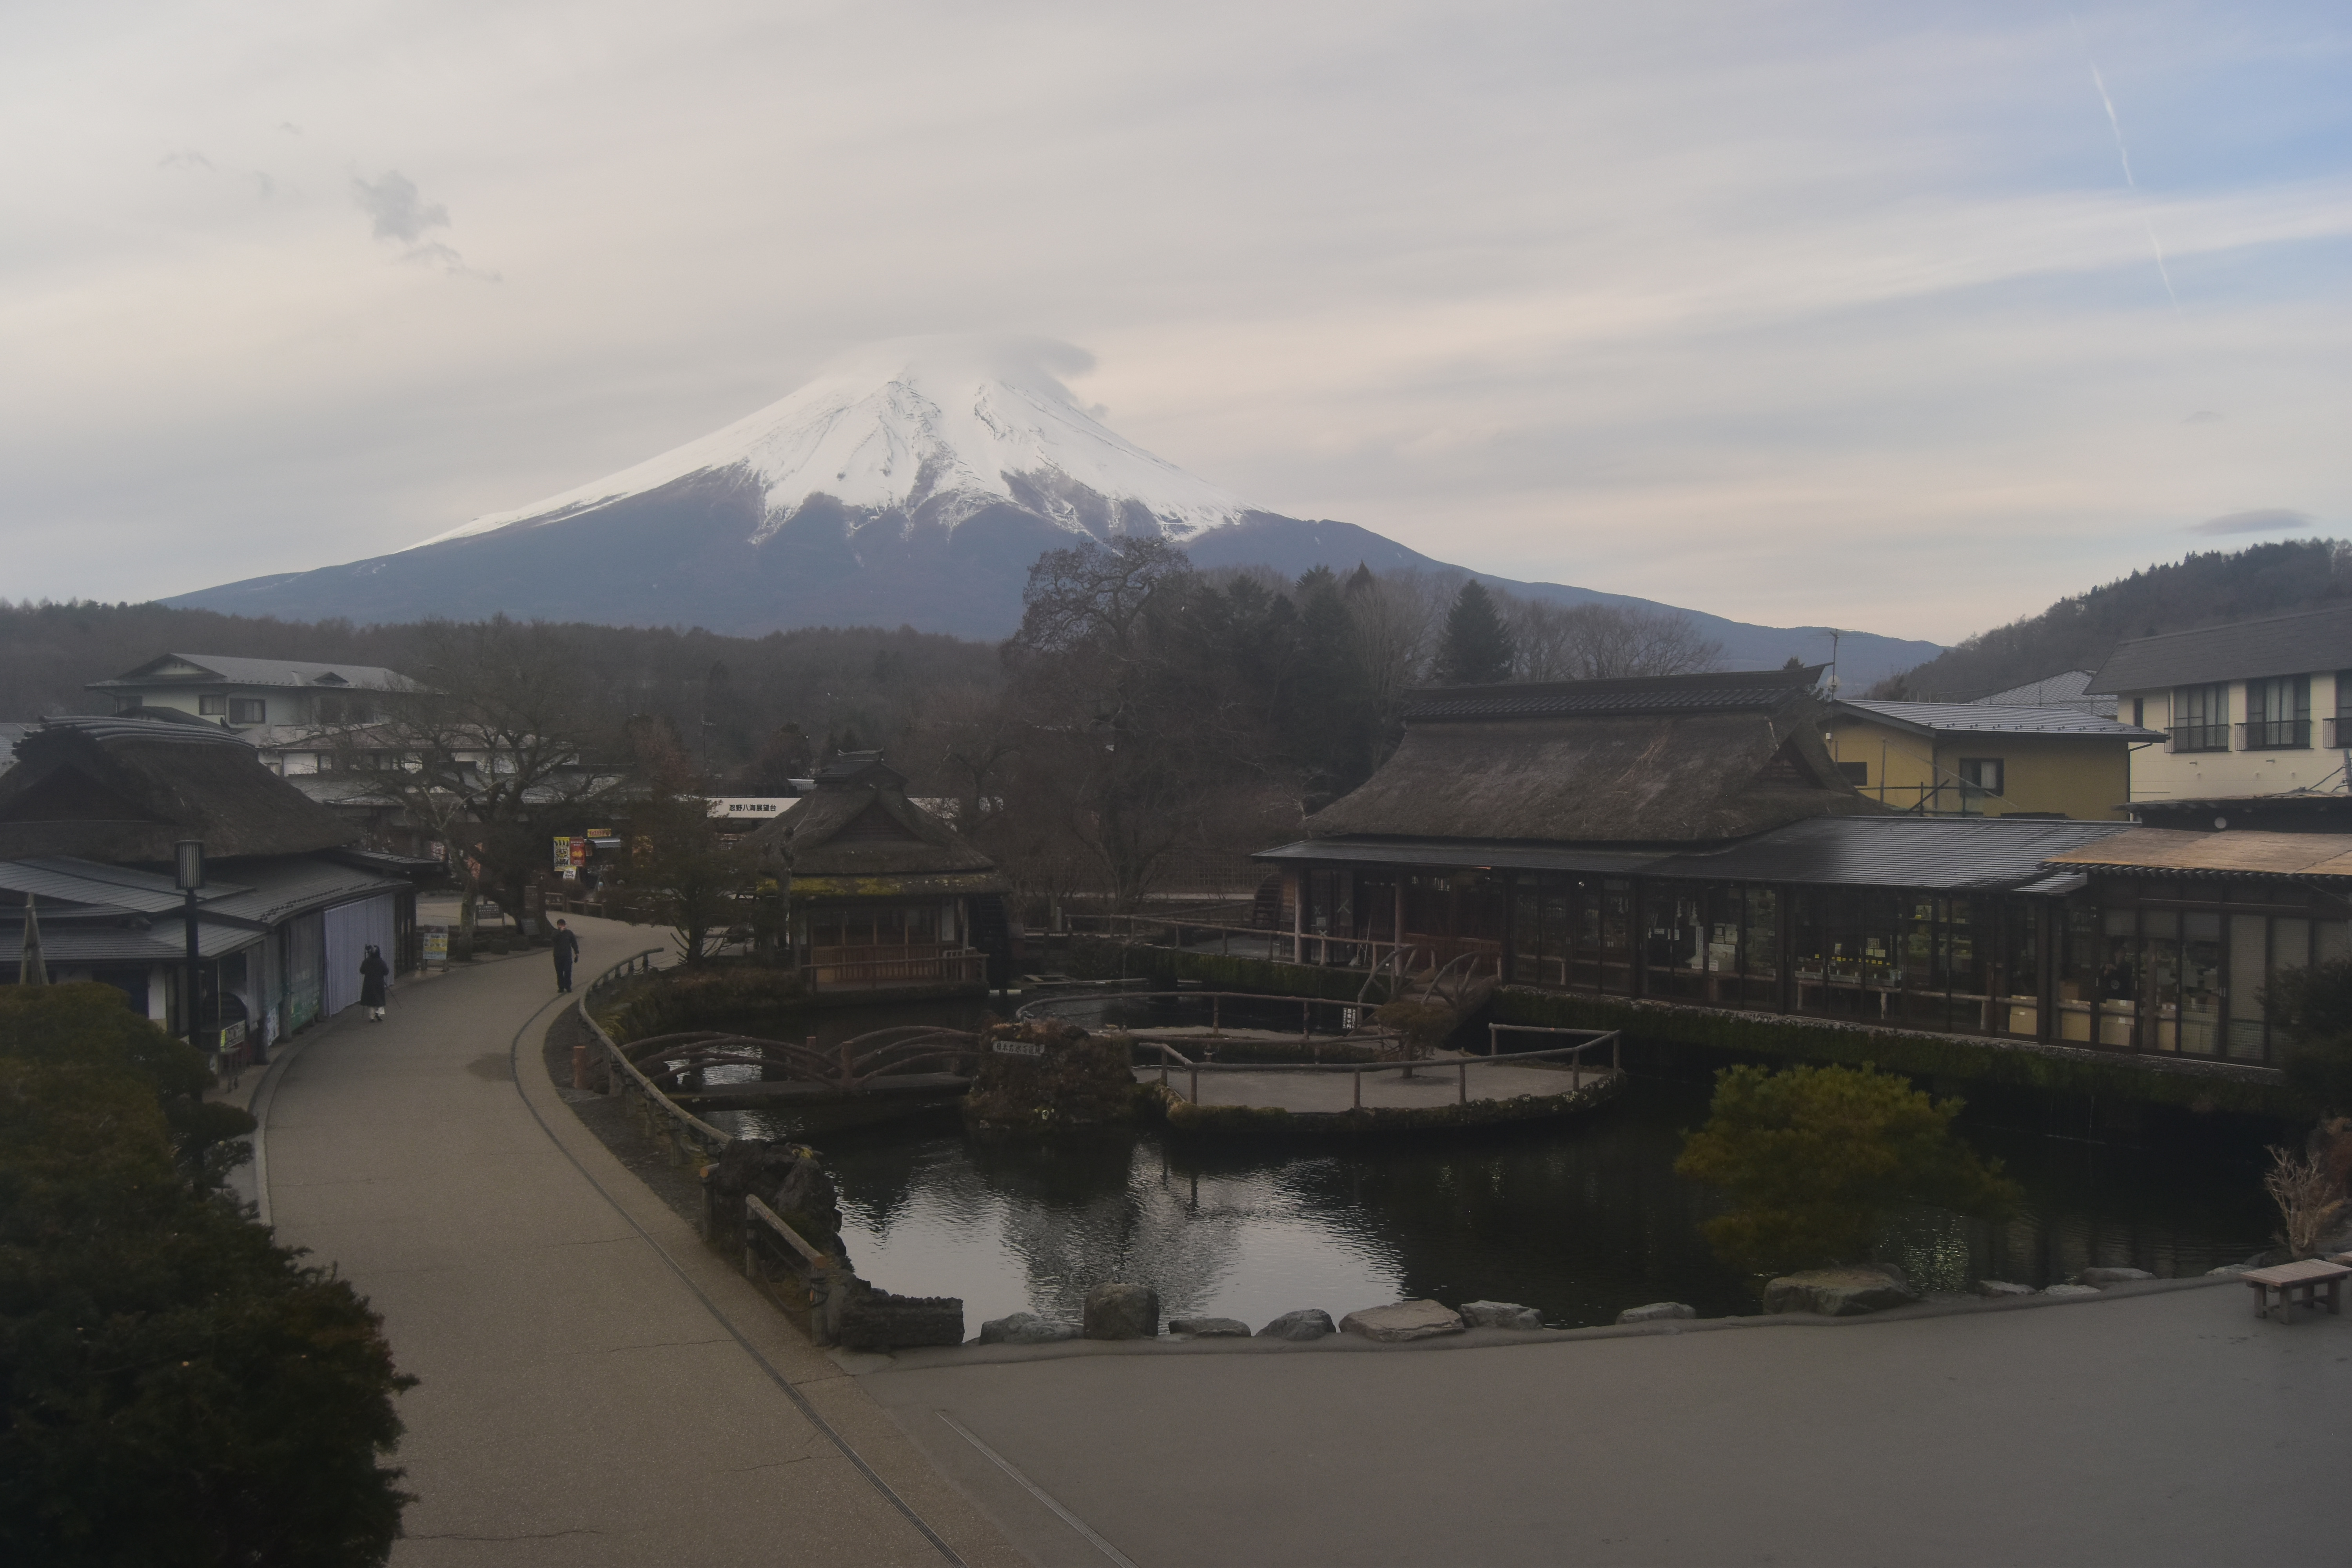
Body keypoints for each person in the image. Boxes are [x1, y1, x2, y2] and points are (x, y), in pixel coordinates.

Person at [358, 944, 391, 1022]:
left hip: (368, 983)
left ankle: (372, 1017)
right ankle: (378, 1012)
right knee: (380, 1000)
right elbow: (386, 972)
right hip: (379, 983)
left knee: (370, 1001)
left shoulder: (367, 961)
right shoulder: (381, 962)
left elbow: (362, 971)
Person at [552, 918, 581, 993]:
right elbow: (554, 939)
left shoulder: (569, 933)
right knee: (559, 972)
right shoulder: (555, 933)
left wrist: (577, 952)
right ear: (558, 926)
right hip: (558, 956)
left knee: (568, 971)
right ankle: (561, 987)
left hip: (567, 956)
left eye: (563, 925)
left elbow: (574, 943)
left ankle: (568, 986)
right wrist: (560, 932)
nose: (562, 927)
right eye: (560, 925)